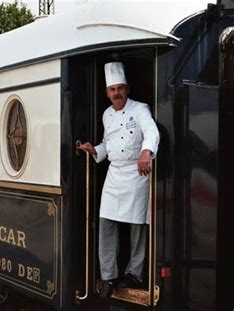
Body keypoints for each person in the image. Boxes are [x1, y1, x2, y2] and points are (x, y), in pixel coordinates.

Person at [77, 62, 160, 298]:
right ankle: (108, 276)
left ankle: (134, 272)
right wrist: (94, 151)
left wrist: (146, 152)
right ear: (107, 93)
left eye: (120, 88)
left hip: (136, 173)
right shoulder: (106, 114)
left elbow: (152, 132)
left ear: (127, 89)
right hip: (114, 174)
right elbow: (107, 144)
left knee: (137, 226)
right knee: (106, 223)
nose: (117, 93)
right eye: (112, 90)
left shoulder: (140, 109)